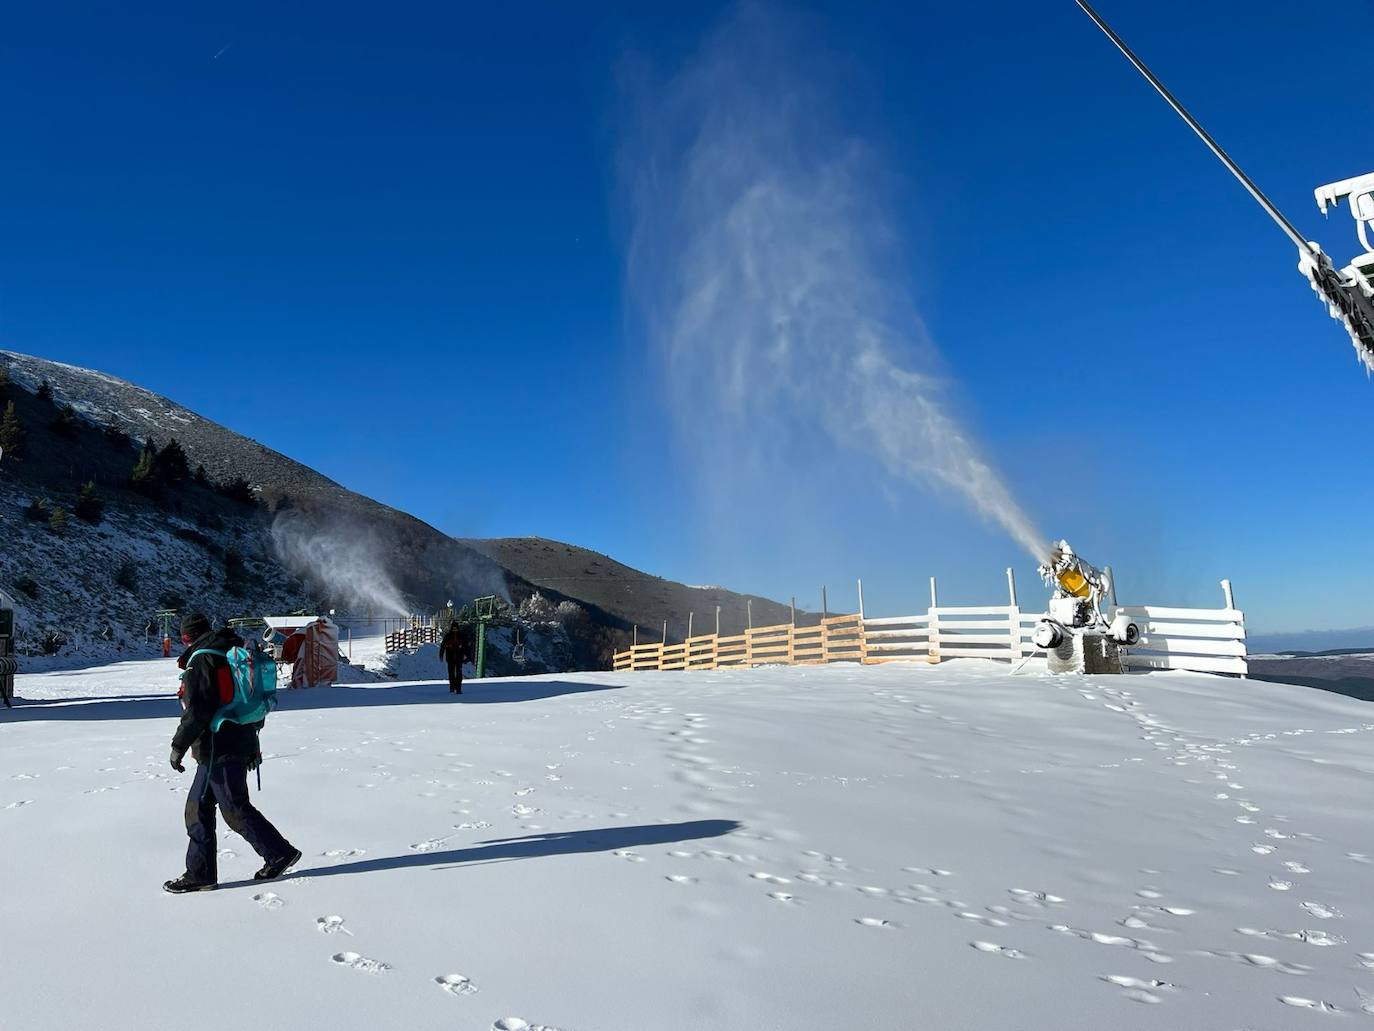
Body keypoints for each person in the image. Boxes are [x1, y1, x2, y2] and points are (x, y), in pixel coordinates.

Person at [163, 612, 301, 894]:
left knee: (234, 807)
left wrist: (179, 745)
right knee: (199, 809)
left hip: (219, 746)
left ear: (186, 637)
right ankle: (200, 873)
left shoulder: (203, 659)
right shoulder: (228, 650)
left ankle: (278, 853)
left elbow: (199, 709)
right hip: (235, 740)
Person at [438, 621, 470, 695]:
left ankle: (458, 688)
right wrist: (441, 654)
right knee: (451, 673)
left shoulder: (461, 636)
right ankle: (452, 687)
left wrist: (468, 656)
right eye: (453, 629)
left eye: (456, 629)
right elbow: (443, 646)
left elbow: (466, 647)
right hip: (450, 657)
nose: (455, 630)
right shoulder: (448, 636)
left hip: (459, 657)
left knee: (459, 673)